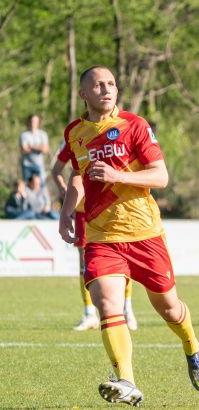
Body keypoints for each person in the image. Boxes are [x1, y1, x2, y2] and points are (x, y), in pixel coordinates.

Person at [58, 66, 199, 406]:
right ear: (84, 93)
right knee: (107, 303)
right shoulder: (75, 132)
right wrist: (67, 210)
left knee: (169, 310)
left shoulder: (134, 125)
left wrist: (116, 175)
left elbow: (161, 176)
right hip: (101, 235)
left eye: (111, 83)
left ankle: (191, 345)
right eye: (97, 85)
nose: (106, 89)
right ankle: (126, 380)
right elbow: (80, 176)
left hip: (144, 234)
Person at [52, 142, 138, 332]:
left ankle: (127, 310)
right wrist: (65, 193)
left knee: (122, 259)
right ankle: (89, 313)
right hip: (84, 210)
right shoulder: (75, 137)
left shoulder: (113, 135)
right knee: (84, 264)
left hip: (113, 206)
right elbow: (56, 169)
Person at [20, 114, 50, 182]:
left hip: (39, 165)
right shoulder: (24, 135)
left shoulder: (43, 134)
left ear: (38, 122)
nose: (33, 123)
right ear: (28, 122)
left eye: (35, 121)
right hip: (27, 165)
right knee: (27, 187)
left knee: (42, 186)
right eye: (32, 121)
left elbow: (45, 149)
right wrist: (39, 147)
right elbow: (24, 150)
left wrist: (31, 146)